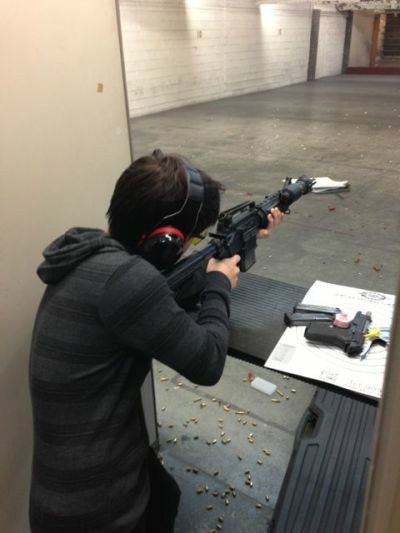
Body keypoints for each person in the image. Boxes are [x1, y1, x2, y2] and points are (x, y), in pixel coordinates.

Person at [29, 149, 284, 533]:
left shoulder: (92, 256)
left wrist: (239, 243)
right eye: (192, 238)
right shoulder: (128, 282)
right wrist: (219, 284)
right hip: (94, 509)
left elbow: (161, 291)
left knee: (165, 496)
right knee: (161, 503)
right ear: (166, 241)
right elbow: (208, 361)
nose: (190, 247)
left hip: (65, 481)